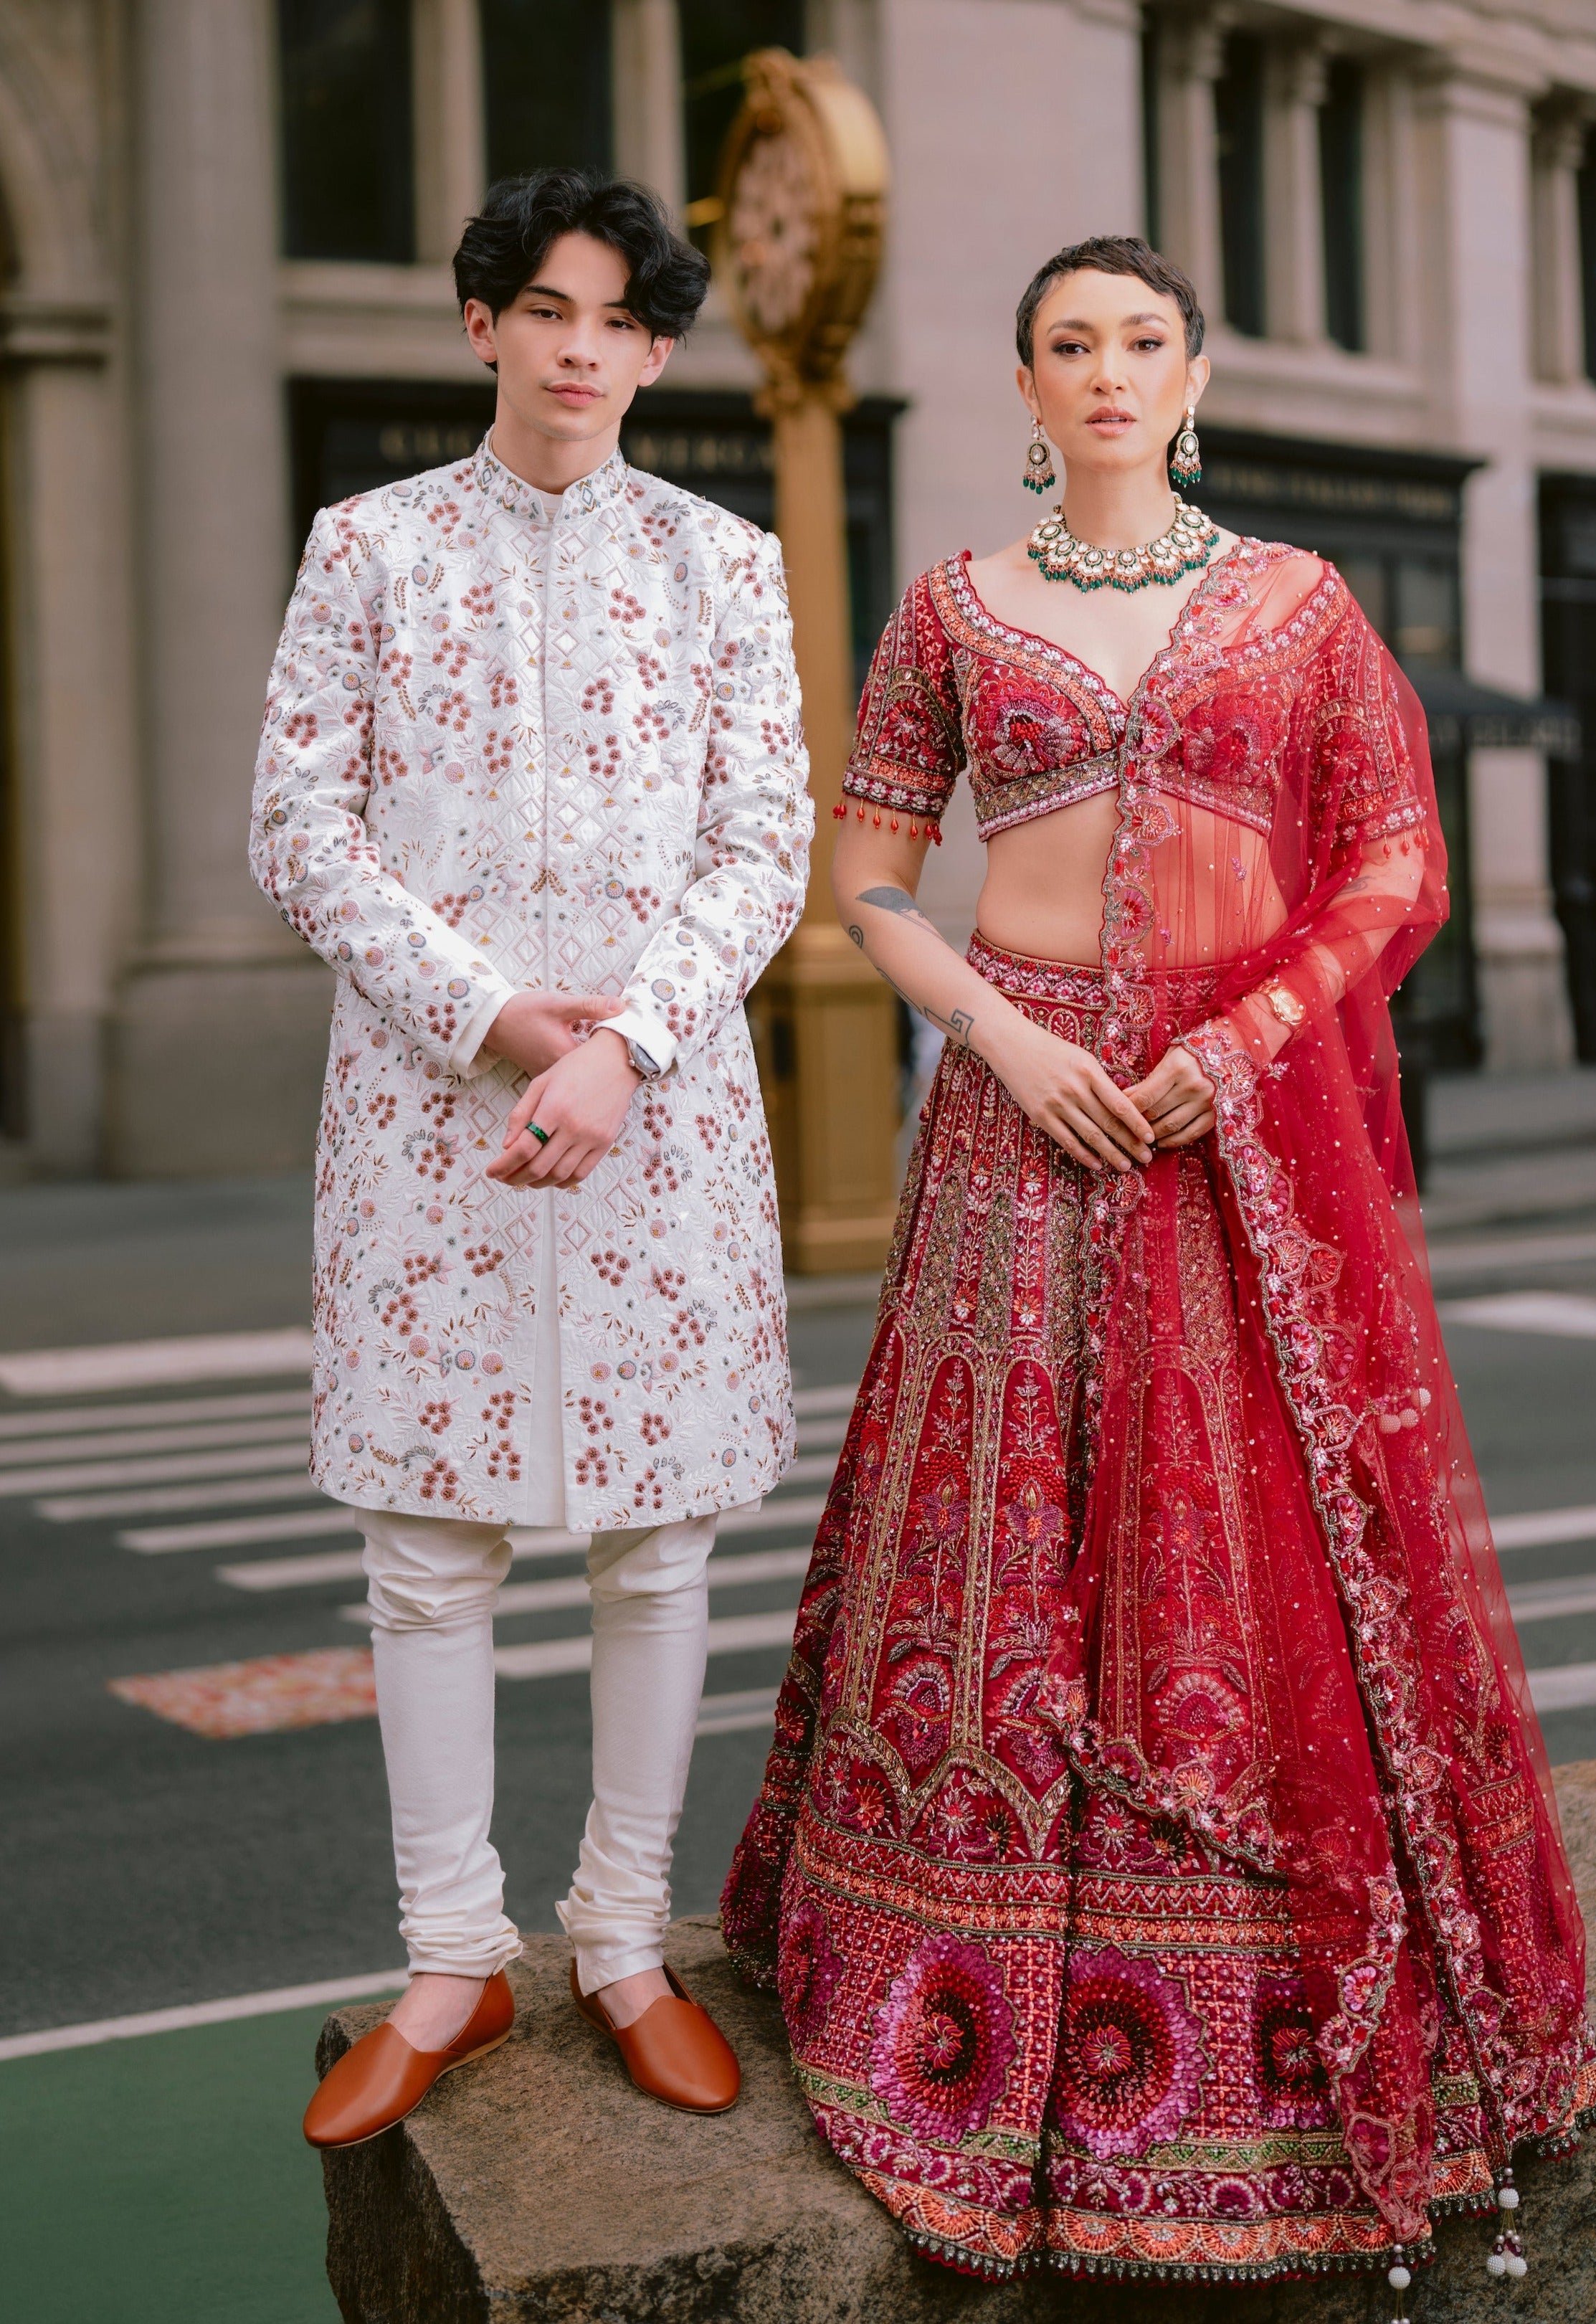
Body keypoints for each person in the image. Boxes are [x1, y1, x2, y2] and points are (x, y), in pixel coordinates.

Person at [723, 236, 1596, 2292]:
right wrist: (1008, 1037)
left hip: (1234, 1129)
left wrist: (1242, 1041)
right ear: (1023, 385)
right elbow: (866, 868)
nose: (1105, 374)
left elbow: (1395, 861)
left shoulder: (1296, 605)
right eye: (1066, 346)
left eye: (1138, 341)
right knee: (999, 1532)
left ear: (1191, 370)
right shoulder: (948, 607)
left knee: (1252, 1540)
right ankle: (964, 1995)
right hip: (1016, 1114)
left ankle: (1256, 2029)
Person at [251, 168, 811, 2145]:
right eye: (548, 309)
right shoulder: (371, 549)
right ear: (480, 321)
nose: (585, 350)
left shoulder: (724, 565)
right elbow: (302, 829)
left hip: (662, 1114)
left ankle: (622, 1940)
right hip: (431, 1107)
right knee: (430, 1543)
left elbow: (767, 844)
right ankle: (451, 1950)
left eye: (624, 323)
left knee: (660, 1541)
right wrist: (500, 1026)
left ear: (659, 353)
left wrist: (630, 1045)